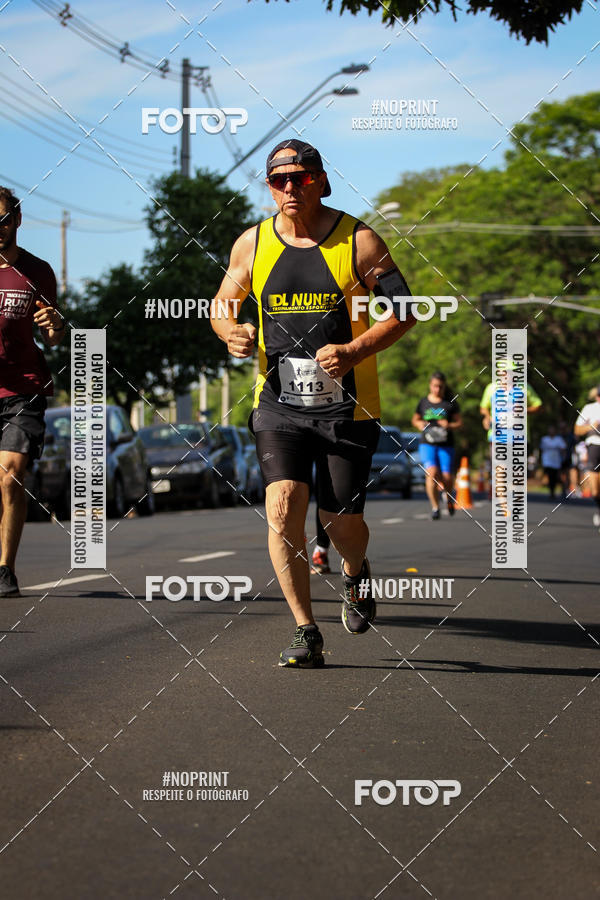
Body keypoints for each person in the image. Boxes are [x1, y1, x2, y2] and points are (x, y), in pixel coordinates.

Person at [210, 139, 416, 667]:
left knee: (340, 520)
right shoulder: (252, 244)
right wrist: (230, 332)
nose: (290, 188)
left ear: (321, 181)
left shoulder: (360, 241)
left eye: (300, 178)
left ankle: (354, 572)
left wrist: (354, 349)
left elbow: (405, 311)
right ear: (270, 188)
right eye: (279, 180)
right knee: (281, 509)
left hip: (348, 407)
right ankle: (306, 630)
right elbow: (222, 305)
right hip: (278, 403)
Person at [0, 187, 65, 595]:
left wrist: (56, 325)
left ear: (17, 221)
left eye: (3, 219)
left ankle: (4, 568)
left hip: (23, 391)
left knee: (10, 476)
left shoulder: (37, 272)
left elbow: (54, 336)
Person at [411, 372, 462, 519]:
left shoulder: (450, 403)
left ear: (444, 386)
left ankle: (448, 497)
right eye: (435, 386)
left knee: (447, 477)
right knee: (432, 473)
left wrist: (449, 425)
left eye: (440, 386)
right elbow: (415, 419)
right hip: (427, 443)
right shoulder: (423, 402)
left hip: (446, 444)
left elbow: (459, 423)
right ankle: (435, 507)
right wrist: (419, 423)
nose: (437, 389)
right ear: (430, 385)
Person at [574, 384, 600, 528]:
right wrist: (591, 426)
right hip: (594, 447)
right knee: (595, 489)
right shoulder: (590, 408)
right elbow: (577, 429)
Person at [539, 425, 567, 499]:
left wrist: (564, 458)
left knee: (555, 476)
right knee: (550, 476)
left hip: (556, 460)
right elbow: (541, 449)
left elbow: (563, 448)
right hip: (547, 460)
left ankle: (561, 490)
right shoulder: (544, 439)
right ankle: (552, 492)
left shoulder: (559, 439)